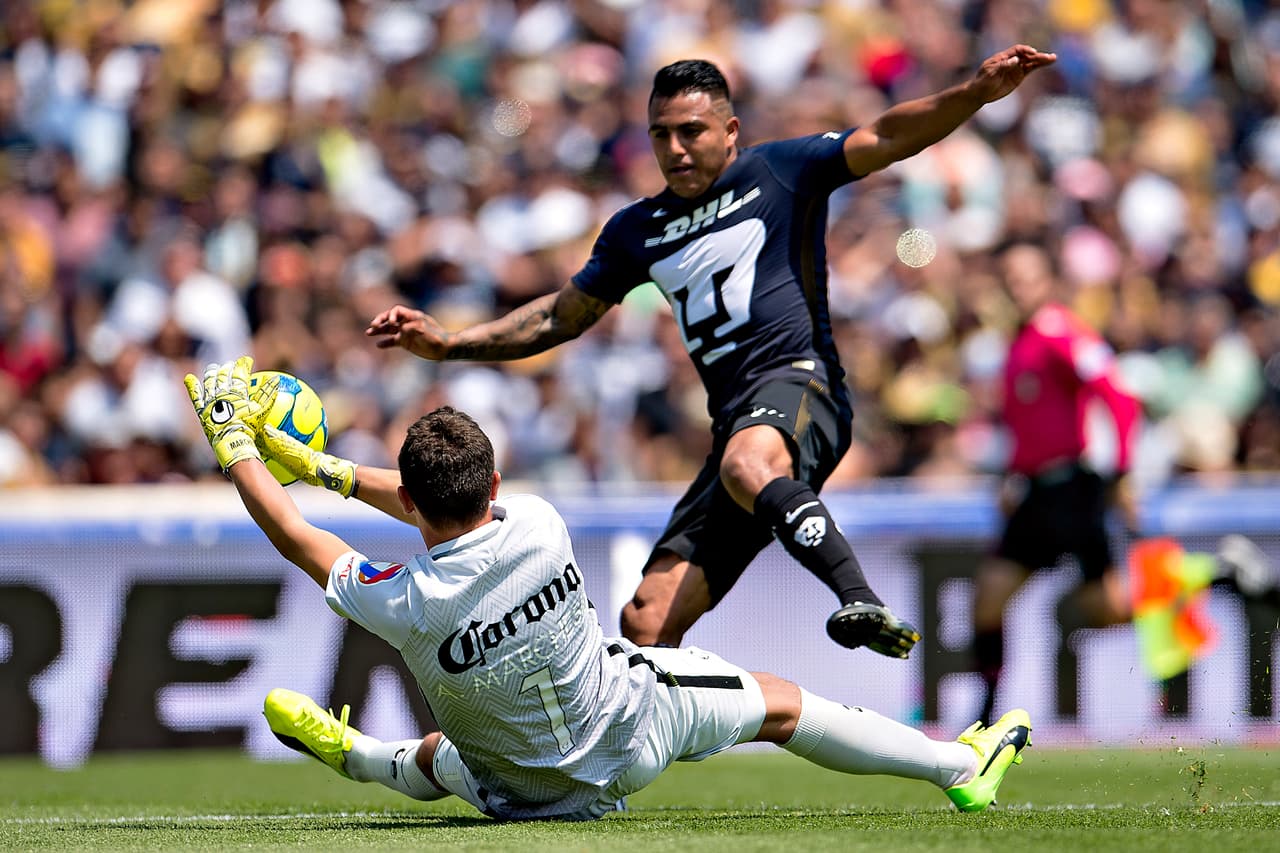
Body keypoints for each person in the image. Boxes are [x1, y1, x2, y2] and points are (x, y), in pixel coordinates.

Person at [363, 45, 1059, 657]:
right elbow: (558, 316)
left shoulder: (781, 171)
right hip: (736, 428)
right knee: (646, 621)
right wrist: (449, 344)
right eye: (660, 134)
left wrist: (973, 94)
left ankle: (859, 597)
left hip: (802, 385)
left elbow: (888, 135)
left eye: (691, 131)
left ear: (730, 131)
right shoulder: (636, 230)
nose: (675, 148)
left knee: (747, 462)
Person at [184, 356, 1032, 820]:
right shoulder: (539, 523)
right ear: (495, 484)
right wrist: (324, 467)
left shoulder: (400, 599)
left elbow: (295, 535)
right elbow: (427, 500)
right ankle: (960, 765)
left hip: (518, 793)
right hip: (632, 729)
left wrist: (240, 447)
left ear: (409, 502)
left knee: (447, 755)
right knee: (779, 704)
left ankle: (360, 755)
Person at [972, 245, 1280, 724]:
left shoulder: (1059, 331)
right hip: (1036, 493)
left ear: (1048, 281)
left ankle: (1217, 572)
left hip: (1070, 491)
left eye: (1027, 277)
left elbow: (1118, 396)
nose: (1017, 287)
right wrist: (1012, 478)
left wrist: (1120, 476)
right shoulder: (1021, 340)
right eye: (1010, 277)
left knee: (1086, 607)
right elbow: (1028, 424)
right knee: (1007, 601)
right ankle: (983, 719)